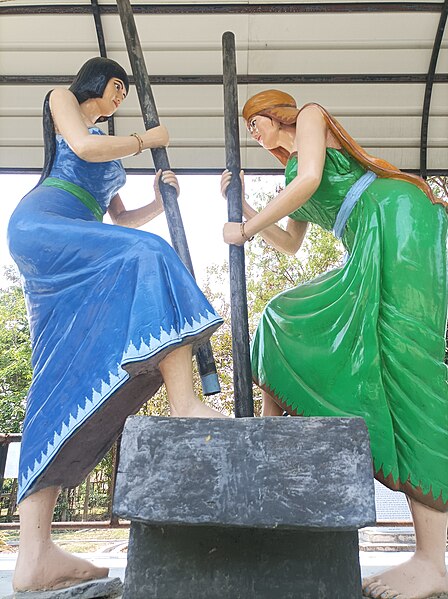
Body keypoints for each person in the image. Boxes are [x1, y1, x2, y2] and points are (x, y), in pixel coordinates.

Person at [7, 56, 225, 596]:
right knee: (148, 255)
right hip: (43, 227)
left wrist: (159, 196)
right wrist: (145, 138)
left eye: (124, 94)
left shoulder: (108, 141)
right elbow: (83, 149)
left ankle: (35, 553)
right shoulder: (65, 102)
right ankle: (184, 398)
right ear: (99, 84)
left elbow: (120, 220)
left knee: (58, 371)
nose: (118, 99)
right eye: (116, 89)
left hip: (83, 240)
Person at [221, 89, 447, 599]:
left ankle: (433, 560)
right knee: (282, 316)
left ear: (278, 113)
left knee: (408, 365)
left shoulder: (311, 117)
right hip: (365, 239)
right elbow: (292, 242)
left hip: (399, 219)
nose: (253, 132)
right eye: (249, 126)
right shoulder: (289, 171)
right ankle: (266, 446)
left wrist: (245, 227)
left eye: (256, 120)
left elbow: (311, 181)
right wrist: (246, 210)